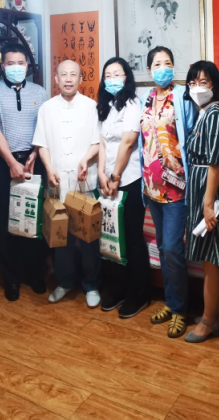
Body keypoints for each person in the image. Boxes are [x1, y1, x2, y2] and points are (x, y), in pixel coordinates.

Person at [32, 60, 102, 308]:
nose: (69, 79)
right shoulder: (47, 108)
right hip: (57, 180)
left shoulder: (91, 107)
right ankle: (65, 281)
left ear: (81, 79)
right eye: (64, 75)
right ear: (56, 79)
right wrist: (49, 167)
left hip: (84, 181)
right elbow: (41, 144)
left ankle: (91, 284)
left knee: (88, 236)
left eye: (74, 75)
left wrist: (86, 159)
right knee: (60, 235)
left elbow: (97, 142)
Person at [0, 43, 50, 302]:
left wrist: (34, 154)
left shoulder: (40, 92)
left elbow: (44, 129)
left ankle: (34, 273)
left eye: (20, 63)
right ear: (3, 66)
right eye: (10, 63)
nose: (16, 67)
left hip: (34, 161)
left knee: (34, 218)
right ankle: (11, 278)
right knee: (6, 221)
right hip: (3, 164)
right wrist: (11, 162)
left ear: (27, 66)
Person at [141, 46, 195, 338]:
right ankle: (171, 302)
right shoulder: (146, 99)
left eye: (168, 63)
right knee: (163, 248)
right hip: (152, 187)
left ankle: (180, 309)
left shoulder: (183, 97)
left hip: (176, 188)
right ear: (150, 70)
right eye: (157, 64)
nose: (163, 68)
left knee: (173, 249)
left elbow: (191, 136)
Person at [181, 61, 219, 344]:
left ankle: (208, 320)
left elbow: (215, 163)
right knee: (209, 257)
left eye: (203, 82)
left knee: (212, 259)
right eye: (192, 83)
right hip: (202, 187)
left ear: (215, 85)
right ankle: (216, 312)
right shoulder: (202, 113)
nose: (197, 87)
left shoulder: (214, 114)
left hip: (211, 190)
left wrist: (208, 203)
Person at [96, 57, 151, 318]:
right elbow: (102, 143)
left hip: (128, 179)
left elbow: (128, 142)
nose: (112, 79)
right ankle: (117, 288)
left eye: (117, 74)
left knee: (131, 237)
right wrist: (101, 173)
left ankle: (139, 294)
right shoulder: (105, 106)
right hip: (107, 180)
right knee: (112, 236)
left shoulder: (133, 104)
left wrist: (115, 176)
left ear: (126, 77)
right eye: (108, 75)